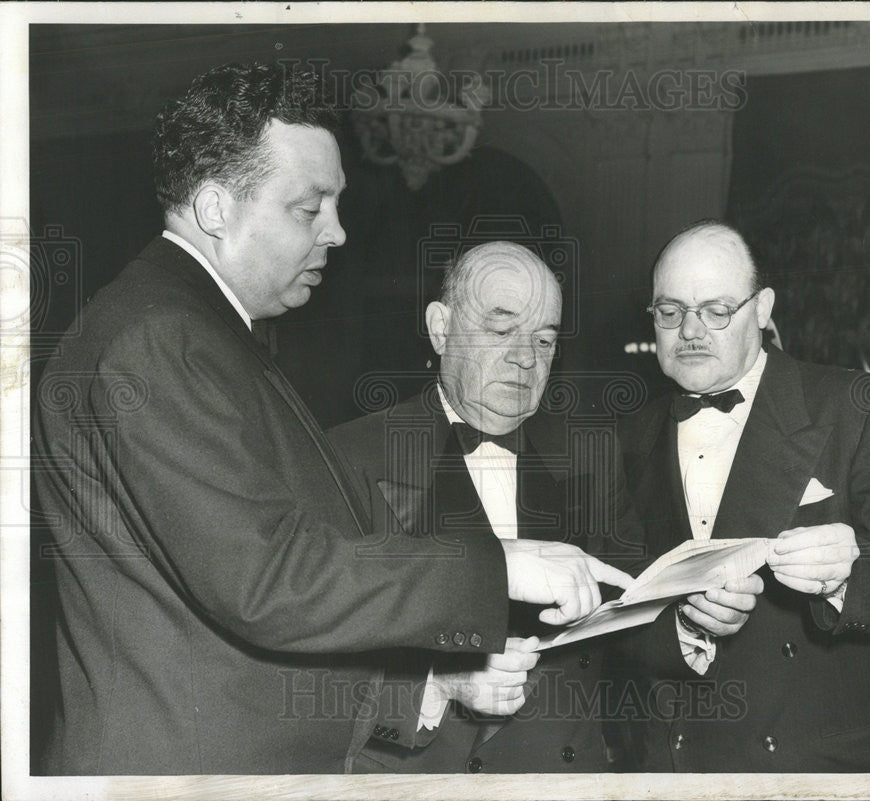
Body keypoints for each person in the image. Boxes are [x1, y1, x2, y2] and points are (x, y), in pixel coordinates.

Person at [32, 63, 627, 775]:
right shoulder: (159, 337)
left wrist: (430, 684)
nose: (339, 233)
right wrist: (500, 566)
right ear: (218, 208)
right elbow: (270, 581)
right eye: (310, 209)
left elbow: (246, 618)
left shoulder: (200, 332)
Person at [612, 220, 870, 772]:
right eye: (670, 311)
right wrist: (681, 627)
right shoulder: (627, 436)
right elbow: (612, 595)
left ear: (762, 308)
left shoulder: (866, 405)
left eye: (716, 310)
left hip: (820, 766)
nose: (690, 330)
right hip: (676, 766)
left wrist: (843, 576)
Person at [326, 241, 644, 772]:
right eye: (501, 331)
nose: (525, 357)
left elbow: (633, 612)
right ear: (440, 328)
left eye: (544, 340)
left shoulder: (592, 451)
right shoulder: (348, 456)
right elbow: (304, 661)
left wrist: (695, 619)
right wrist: (439, 683)